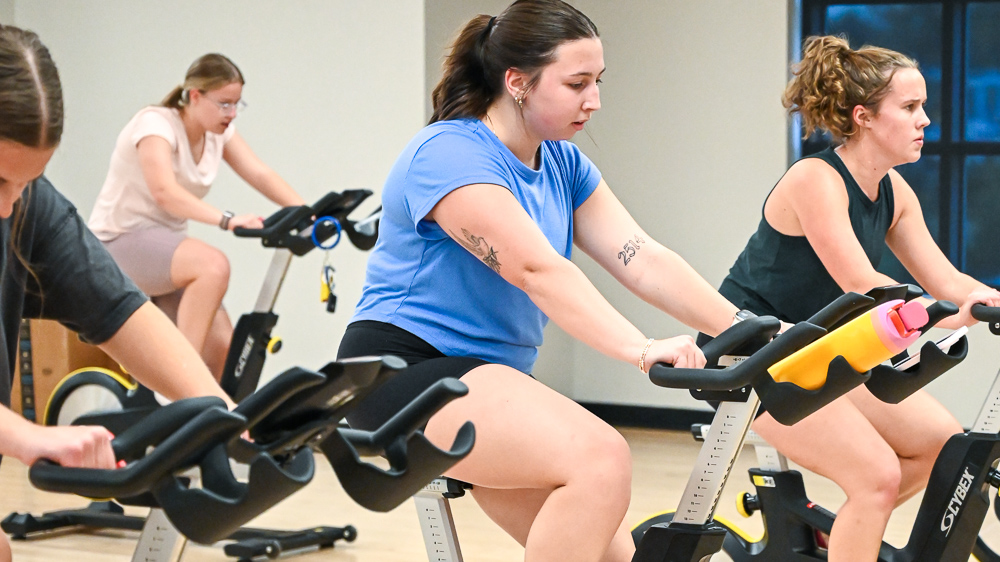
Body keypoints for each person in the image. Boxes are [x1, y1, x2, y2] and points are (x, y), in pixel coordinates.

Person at [336, 2, 744, 560]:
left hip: (491, 379)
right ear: (518, 82)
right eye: (577, 83)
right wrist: (642, 348)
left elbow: (641, 257)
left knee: (610, 555)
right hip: (403, 373)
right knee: (600, 456)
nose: (594, 100)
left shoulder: (563, 164)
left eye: (597, 82)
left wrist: (745, 329)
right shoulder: (448, 154)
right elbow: (536, 271)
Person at [714, 35, 1000, 561]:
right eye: (911, 108)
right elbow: (864, 286)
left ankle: (848, 536)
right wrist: (936, 315)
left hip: (816, 353)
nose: (925, 121)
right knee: (876, 476)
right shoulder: (815, 179)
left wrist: (985, 300)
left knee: (944, 445)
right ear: (864, 117)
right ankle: (856, 527)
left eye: (924, 108)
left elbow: (948, 280)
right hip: (753, 356)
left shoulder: (894, 192)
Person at [0, 25, 237, 562]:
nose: (8, 207)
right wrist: (26, 437)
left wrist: (219, 412)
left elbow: (121, 312)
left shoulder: (30, 208)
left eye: (24, 183)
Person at [88, 53, 305, 380]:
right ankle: (181, 380)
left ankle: (196, 414)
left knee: (223, 353)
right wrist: (227, 219)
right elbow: (164, 191)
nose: (231, 114)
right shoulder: (155, 124)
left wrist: (309, 213)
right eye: (224, 104)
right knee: (212, 266)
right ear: (194, 96)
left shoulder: (218, 133)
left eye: (237, 105)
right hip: (118, 242)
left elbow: (259, 173)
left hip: (165, 253)